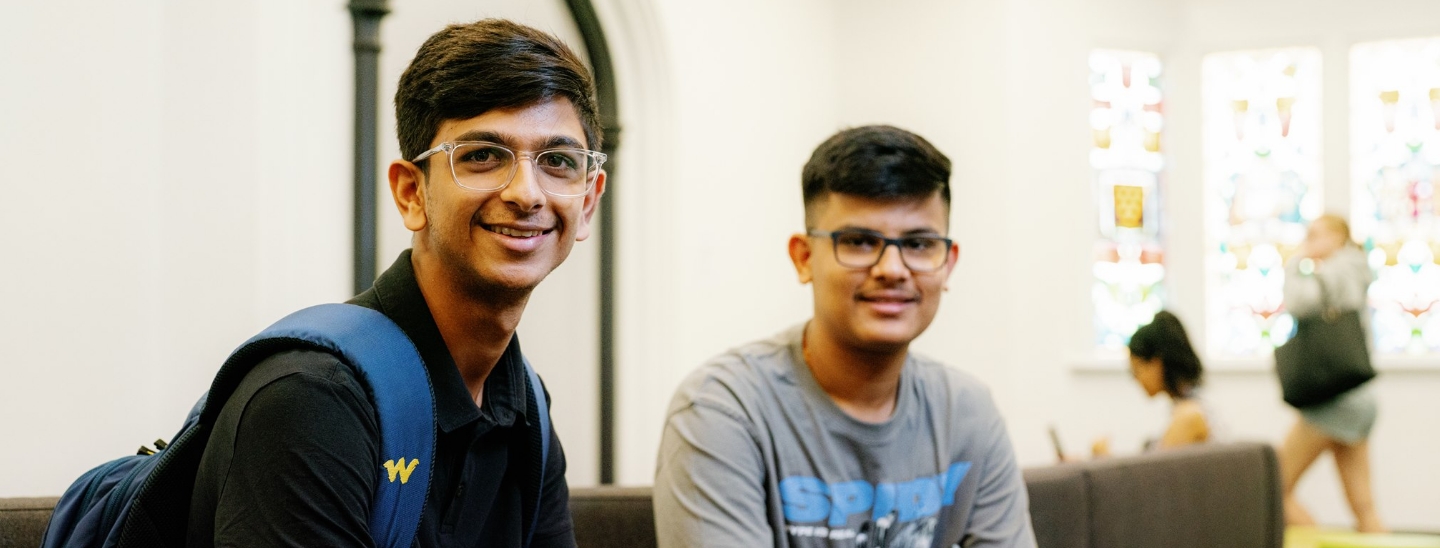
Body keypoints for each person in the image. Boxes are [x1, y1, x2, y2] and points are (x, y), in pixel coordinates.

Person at [186, 19, 605, 547]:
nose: (526, 192)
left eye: (559, 162)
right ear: (411, 193)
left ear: (587, 201)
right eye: (481, 156)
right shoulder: (313, 399)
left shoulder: (526, 407)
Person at [653, 125, 1036, 548]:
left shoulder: (968, 413)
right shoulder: (722, 408)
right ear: (804, 258)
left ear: (947, 264)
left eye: (920, 244)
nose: (892, 268)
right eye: (858, 241)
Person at [1276, 214, 1385, 533]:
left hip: (1333, 400)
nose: (1309, 242)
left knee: (1274, 487)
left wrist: (1295, 262)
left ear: (1339, 238)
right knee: (1364, 506)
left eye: (1316, 235)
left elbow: (1297, 302)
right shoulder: (1357, 267)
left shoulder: (1337, 270)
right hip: (1360, 398)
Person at [1093, 311, 1214, 457]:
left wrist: (1105, 458)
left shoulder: (1188, 416)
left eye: (1136, 370)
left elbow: (1151, 477)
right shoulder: (1191, 406)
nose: (1136, 379)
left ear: (1157, 364)